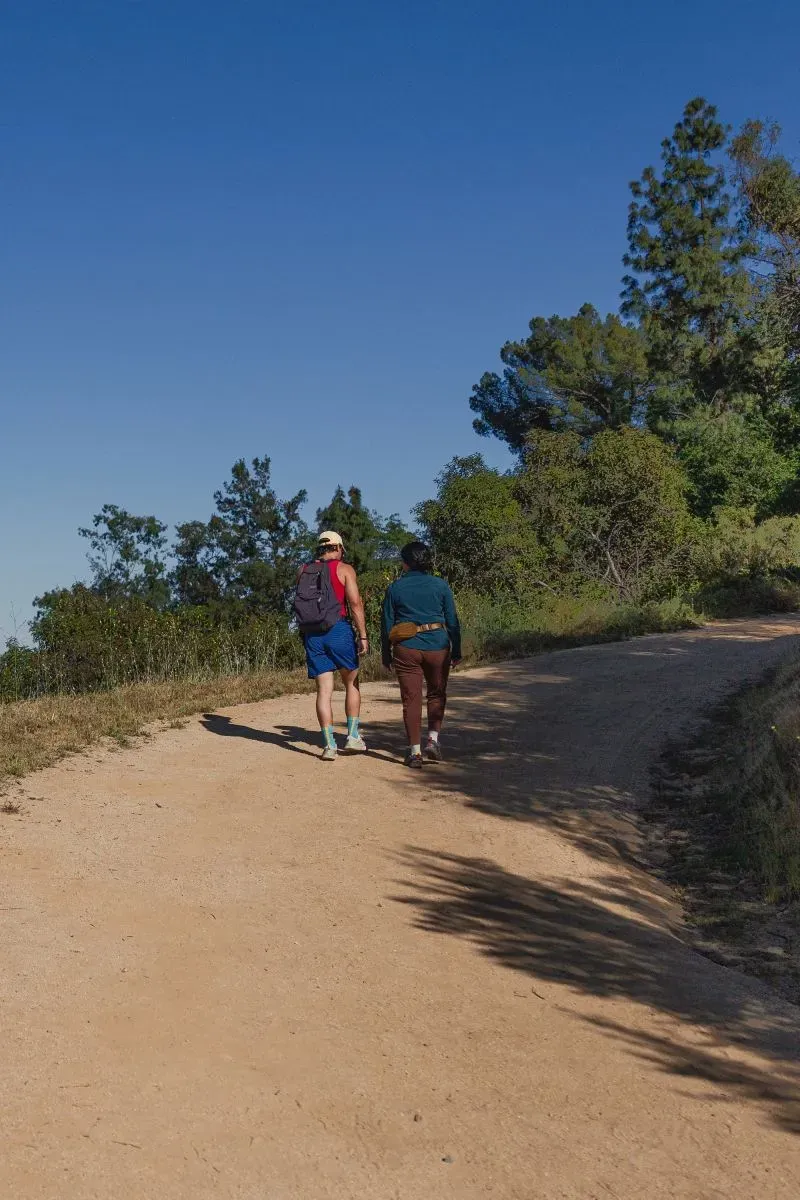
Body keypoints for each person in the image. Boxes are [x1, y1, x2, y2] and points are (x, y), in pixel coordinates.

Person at [381, 541, 461, 768]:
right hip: (438, 645)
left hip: (406, 647)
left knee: (411, 699)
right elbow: (453, 622)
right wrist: (457, 650)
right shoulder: (440, 585)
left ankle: (415, 752)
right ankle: (433, 741)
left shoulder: (395, 588)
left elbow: (386, 624)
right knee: (437, 693)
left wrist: (386, 655)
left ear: (405, 564)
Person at [299, 531, 369, 761]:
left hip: (312, 635)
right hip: (338, 629)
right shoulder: (344, 569)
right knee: (351, 682)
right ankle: (352, 736)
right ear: (338, 548)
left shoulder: (303, 570)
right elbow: (355, 604)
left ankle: (329, 745)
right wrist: (363, 636)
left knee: (324, 691)